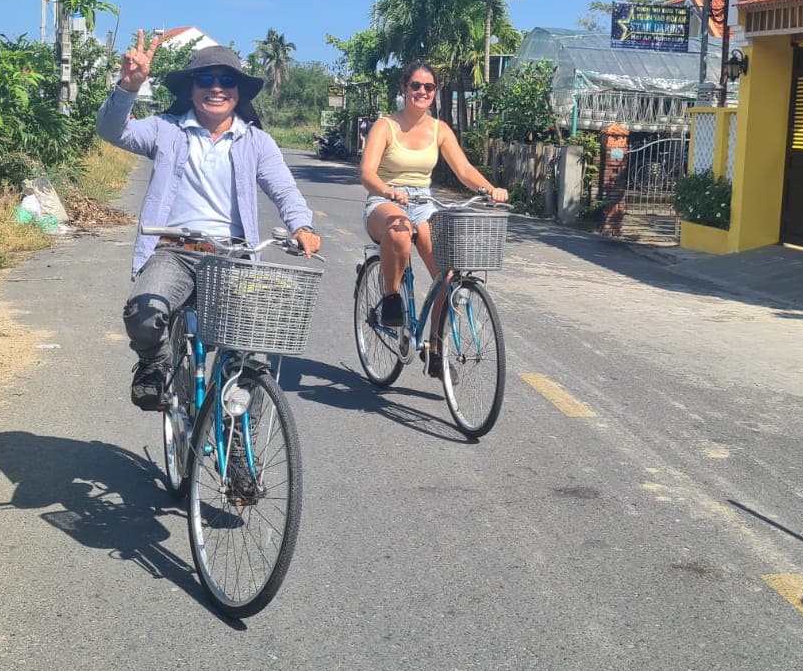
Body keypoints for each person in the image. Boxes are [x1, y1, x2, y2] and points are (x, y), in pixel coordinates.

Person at [97, 33, 322, 410]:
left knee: (245, 356)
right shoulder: (165, 129)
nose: (216, 88)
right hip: (173, 252)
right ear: (191, 88)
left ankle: (236, 452)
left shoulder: (256, 141)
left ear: (239, 91)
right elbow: (112, 130)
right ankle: (155, 364)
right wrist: (129, 87)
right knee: (143, 312)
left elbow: (284, 189)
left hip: (232, 257)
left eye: (226, 81)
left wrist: (302, 225)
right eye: (205, 80)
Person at [358, 61, 507, 377]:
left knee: (447, 276)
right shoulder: (386, 126)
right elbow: (367, 174)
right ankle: (391, 299)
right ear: (404, 88)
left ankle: (436, 351)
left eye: (429, 87)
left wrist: (489, 189)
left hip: (423, 203)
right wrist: (387, 191)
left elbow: (464, 170)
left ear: (436, 92)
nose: (422, 92)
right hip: (384, 201)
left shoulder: (440, 129)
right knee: (399, 231)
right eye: (415, 86)